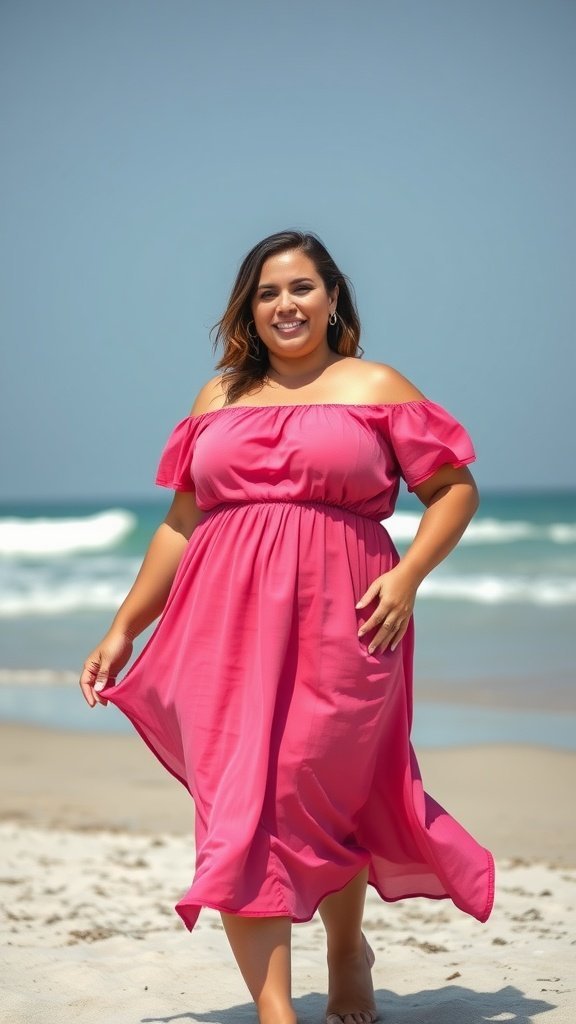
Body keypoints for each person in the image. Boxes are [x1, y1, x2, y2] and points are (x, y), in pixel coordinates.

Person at [79, 229, 494, 1024]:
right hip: (220, 627)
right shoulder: (217, 398)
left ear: (332, 296)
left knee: (322, 792)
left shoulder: (374, 384)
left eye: (301, 287)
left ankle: (345, 952)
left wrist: (408, 577)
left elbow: (454, 490)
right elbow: (181, 524)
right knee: (240, 804)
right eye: (267, 293)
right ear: (249, 308)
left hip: (350, 620)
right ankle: (276, 1011)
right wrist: (124, 626)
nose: (285, 305)